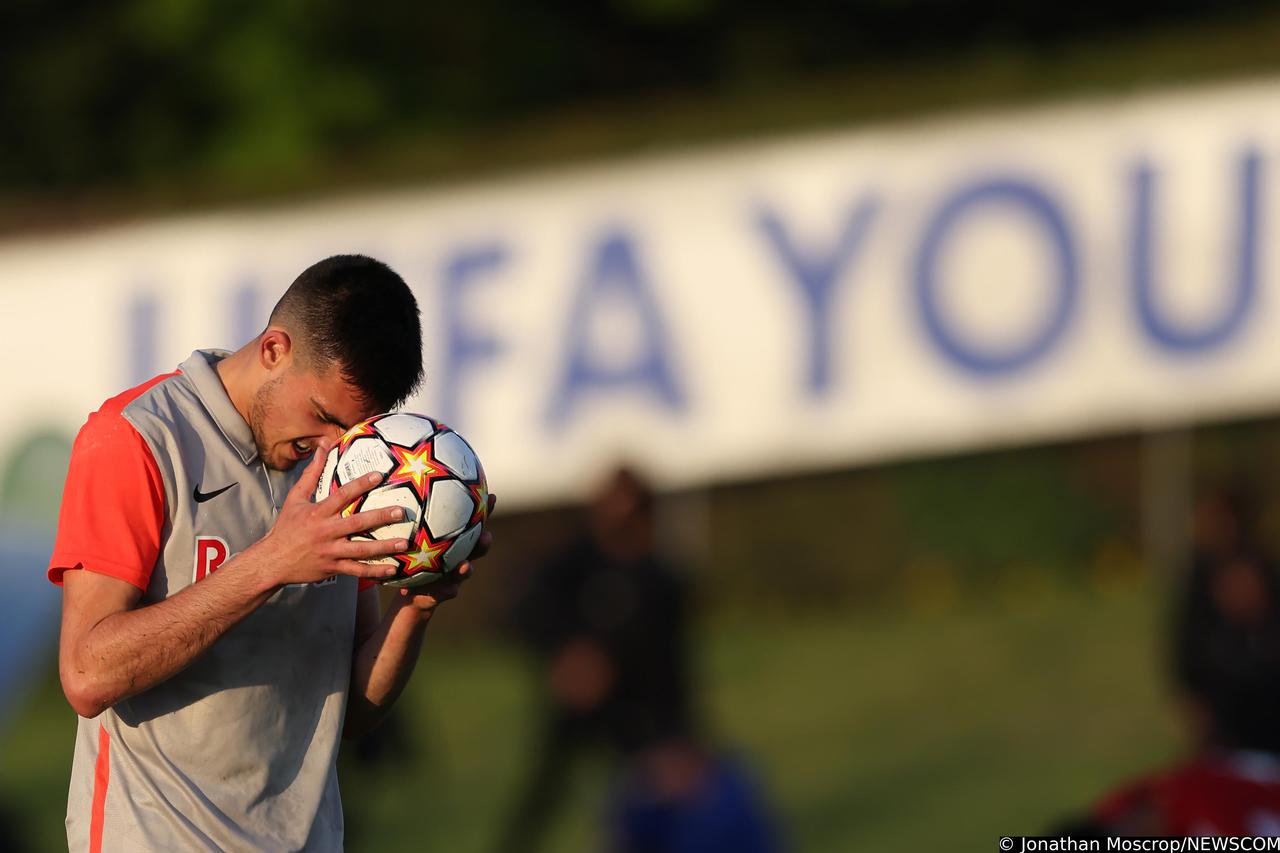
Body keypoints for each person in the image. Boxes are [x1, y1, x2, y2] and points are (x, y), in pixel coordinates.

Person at [49, 255, 494, 852]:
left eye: (353, 428)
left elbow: (352, 713)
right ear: (274, 350)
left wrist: (416, 606)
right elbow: (85, 673)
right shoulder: (137, 438)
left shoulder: (349, 468)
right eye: (321, 417)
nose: (331, 448)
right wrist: (271, 564)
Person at [497, 467, 692, 853]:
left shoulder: (662, 580)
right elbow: (528, 607)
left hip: (636, 710)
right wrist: (567, 654)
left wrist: (678, 733)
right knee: (544, 791)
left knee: (648, 795)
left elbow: (672, 666)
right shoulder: (575, 560)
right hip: (576, 702)